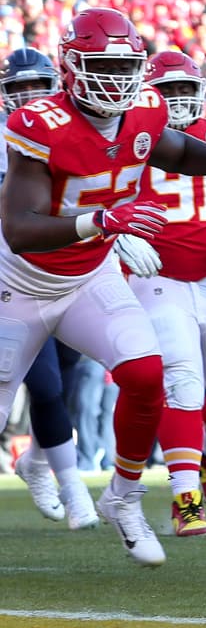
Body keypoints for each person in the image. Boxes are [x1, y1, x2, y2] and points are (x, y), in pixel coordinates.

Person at [1, 7, 206, 566]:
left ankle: (123, 497)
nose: (117, 78)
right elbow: (19, 230)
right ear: (70, 66)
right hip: (20, 284)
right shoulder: (38, 125)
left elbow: (187, 153)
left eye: (126, 65)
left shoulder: (145, 109)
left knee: (147, 373)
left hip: (90, 276)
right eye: (104, 65)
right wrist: (98, 222)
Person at [111, 49, 206, 535]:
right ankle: (184, 497)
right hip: (156, 277)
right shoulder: (127, 133)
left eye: (183, 90)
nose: (176, 101)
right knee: (182, 380)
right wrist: (116, 232)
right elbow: (91, 194)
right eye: (166, 91)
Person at [1, 46, 98, 531]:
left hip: (69, 273)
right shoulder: (9, 139)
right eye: (16, 89)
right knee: (46, 386)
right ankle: (71, 484)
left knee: (65, 381)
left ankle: (36, 464)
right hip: (14, 280)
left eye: (35, 85)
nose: (27, 97)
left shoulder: (71, 133)